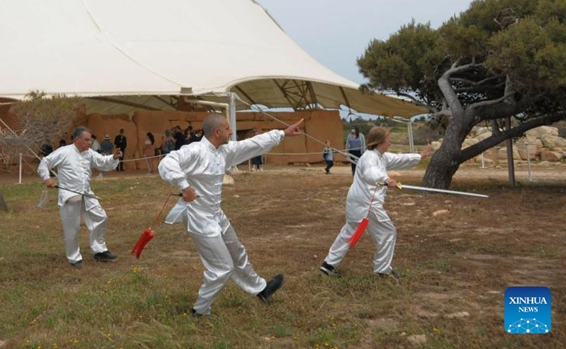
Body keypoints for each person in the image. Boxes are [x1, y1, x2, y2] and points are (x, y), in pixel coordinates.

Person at [158, 113, 305, 316]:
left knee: (236, 251)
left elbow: (252, 144)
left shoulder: (223, 151)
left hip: (215, 213)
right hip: (198, 216)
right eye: (228, 128)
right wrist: (184, 186)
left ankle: (261, 289)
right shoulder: (194, 151)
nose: (231, 131)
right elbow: (166, 163)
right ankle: (199, 310)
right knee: (222, 267)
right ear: (217, 132)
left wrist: (282, 133)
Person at [320, 127, 431, 280]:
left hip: (357, 202)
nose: (390, 142)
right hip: (367, 205)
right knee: (387, 232)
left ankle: (328, 265)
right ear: (379, 141)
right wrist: (385, 179)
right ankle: (383, 270)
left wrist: (419, 156)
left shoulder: (381, 157)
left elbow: (399, 159)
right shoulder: (369, 158)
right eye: (388, 139)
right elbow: (370, 172)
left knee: (350, 232)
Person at [38, 126, 123, 268]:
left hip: (86, 193)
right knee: (72, 227)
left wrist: (113, 157)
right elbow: (44, 162)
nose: (89, 143)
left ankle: (99, 250)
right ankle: (74, 258)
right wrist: (47, 178)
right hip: (70, 195)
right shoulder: (64, 152)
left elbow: (103, 162)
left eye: (90, 140)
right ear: (77, 140)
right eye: (86, 140)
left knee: (100, 217)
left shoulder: (89, 153)